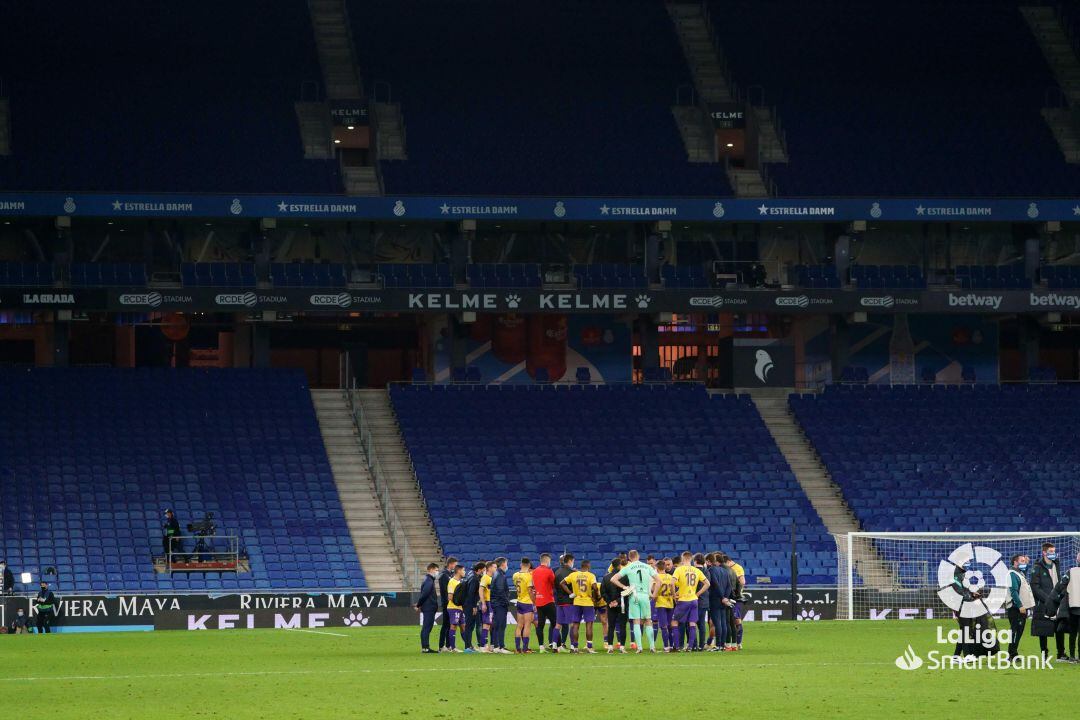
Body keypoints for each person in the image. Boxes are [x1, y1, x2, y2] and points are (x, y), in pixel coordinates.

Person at [610, 549, 658, 653]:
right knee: (648, 621)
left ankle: (639, 648)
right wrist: (654, 595)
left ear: (629, 558)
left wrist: (625, 587)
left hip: (634, 596)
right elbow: (659, 581)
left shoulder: (628, 567)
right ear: (638, 556)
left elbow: (613, 579)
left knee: (636, 621)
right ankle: (652, 647)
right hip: (645, 595)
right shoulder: (647, 566)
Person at [1030, 542, 1065, 660]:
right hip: (1043, 603)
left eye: (1054, 551)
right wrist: (1048, 599)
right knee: (1043, 628)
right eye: (1050, 552)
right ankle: (1044, 653)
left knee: (1060, 628)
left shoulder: (1056, 564)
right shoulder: (1037, 568)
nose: (1053, 554)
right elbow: (1035, 587)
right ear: (1044, 552)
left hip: (1057, 601)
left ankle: (1061, 653)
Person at [672, 551, 710, 651]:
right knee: (692, 623)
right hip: (694, 600)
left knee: (675, 622)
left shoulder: (679, 569)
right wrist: (697, 594)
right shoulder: (696, 570)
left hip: (683, 600)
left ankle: (677, 646)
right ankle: (690, 647)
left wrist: (673, 595)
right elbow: (707, 584)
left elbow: (672, 583)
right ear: (691, 559)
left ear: (683, 559)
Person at [1049, 550, 1080, 663]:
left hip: (1073, 606)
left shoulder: (1070, 571)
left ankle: (1072, 656)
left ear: (1077, 560)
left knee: (1073, 633)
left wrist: (1059, 597)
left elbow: (1061, 584)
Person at [563, 560, 599, 653]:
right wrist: (595, 597)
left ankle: (575, 648)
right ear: (588, 566)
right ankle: (589, 647)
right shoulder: (591, 575)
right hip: (588, 602)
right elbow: (595, 587)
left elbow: (562, 583)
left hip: (577, 602)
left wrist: (571, 594)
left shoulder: (574, 574)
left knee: (575, 624)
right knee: (589, 624)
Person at [1005, 554, 1035, 660]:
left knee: (1018, 631)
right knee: (1016, 630)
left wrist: (1026, 563)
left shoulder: (1019, 573)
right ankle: (1011, 654)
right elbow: (1013, 591)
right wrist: (1020, 605)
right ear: (1015, 562)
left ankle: (1013, 653)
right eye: (1022, 561)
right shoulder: (1012, 574)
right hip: (1016, 607)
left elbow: (1022, 577)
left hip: (1019, 607)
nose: (1024, 563)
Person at [708, 552, 738, 651]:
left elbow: (715, 584)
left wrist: (722, 597)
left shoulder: (711, 570)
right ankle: (723, 645)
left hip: (715, 599)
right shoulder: (724, 571)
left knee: (717, 623)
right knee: (724, 623)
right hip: (724, 600)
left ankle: (718, 645)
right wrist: (725, 597)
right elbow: (729, 586)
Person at [531, 553, 558, 652]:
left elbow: (533, 585)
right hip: (548, 601)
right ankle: (557, 646)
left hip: (539, 601)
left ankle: (541, 647)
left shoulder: (534, 571)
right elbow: (554, 584)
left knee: (540, 625)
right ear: (547, 561)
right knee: (555, 624)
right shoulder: (549, 571)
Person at [415, 562, 440, 653]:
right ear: (431, 570)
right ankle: (425, 648)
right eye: (436, 570)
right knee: (427, 627)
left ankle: (425, 647)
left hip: (429, 607)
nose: (437, 572)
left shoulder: (429, 580)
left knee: (427, 627)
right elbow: (424, 594)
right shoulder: (429, 581)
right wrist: (418, 605)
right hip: (429, 607)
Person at [512, 558, 535, 653]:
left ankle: (518, 648)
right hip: (527, 602)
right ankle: (525, 648)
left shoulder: (515, 575)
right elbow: (530, 590)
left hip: (519, 601)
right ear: (529, 565)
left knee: (519, 625)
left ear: (521, 564)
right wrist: (534, 602)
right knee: (527, 625)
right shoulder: (529, 576)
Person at [723, 554, 746, 649]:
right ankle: (731, 642)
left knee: (736, 620)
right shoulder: (727, 569)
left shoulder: (737, 568)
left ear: (727, 562)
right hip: (729, 597)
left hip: (735, 598)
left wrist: (736, 592)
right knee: (729, 620)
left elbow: (742, 582)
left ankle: (738, 642)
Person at [553, 553, 576, 650]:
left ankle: (554, 645)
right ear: (570, 561)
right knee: (572, 624)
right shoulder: (572, 573)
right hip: (569, 601)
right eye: (573, 561)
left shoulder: (557, 572)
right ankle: (572, 646)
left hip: (559, 601)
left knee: (558, 624)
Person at [490, 557, 511, 654]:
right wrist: (506, 602)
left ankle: (496, 645)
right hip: (499, 604)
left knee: (497, 625)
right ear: (503, 564)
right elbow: (500, 591)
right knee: (501, 625)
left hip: (497, 603)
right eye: (506, 563)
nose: (507, 565)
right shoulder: (499, 575)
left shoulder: (497, 574)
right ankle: (500, 646)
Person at [653, 561, 676, 651]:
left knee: (663, 626)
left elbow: (653, 589)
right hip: (670, 603)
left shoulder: (657, 577)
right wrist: (674, 598)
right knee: (670, 626)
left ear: (657, 568)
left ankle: (666, 646)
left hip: (661, 603)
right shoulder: (670, 577)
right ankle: (671, 645)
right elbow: (673, 589)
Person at [461, 562, 484, 653]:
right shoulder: (474, 579)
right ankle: (467, 647)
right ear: (479, 570)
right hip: (470, 605)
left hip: (468, 604)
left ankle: (469, 645)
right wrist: (474, 606)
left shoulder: (471, 575)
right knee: (469, 626)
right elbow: (471, 593)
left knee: (470, 626)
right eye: (483, 570)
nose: (484, 572)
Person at [443, 564, 467, 653]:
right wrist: (458, 602)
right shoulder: (452, 582)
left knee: (463, 626)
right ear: (459, 571)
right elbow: (450, 597)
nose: (464, 572)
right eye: (463, 570)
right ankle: (453, 648)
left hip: (460, 608)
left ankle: (468, 646)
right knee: (453, 626)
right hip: (453, 608)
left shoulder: (460, 582)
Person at [437, 557, 458, 651]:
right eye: (455, 564)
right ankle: (441, 646)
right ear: (450, 564)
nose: (455, 566)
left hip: (450, 603)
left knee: (449, 624)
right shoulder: (444, 575)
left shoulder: (449, 574)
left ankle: (448, 645)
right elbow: (445, 591)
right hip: (447, 603)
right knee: (446, 624)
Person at [694, 553, 711, 650]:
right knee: (701, 624)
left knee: (691, 623)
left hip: (694, 600)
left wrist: (696, 594)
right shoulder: (707, 571)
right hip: (704, 601)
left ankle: (694, 644)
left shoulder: (693, 571)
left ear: (695, 561)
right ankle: (701, 645)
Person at [478, 561, 495, 652]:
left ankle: (491, 645)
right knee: (486, 624)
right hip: (487, 603)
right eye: (494, 567)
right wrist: (483, 603)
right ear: (489, 568)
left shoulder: (490, 578)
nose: (495, 569)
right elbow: (480, 590)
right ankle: (483, 646)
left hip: (491, 603)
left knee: (491, 625)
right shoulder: (485, 577)